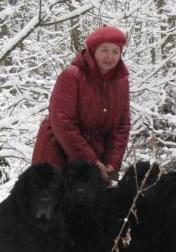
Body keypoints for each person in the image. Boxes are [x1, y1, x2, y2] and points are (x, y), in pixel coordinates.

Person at [32, 25, 130, 182]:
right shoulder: (71, 76)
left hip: (94, 159)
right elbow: (63, 122)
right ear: (93, 51)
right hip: (58, 153)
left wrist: (112, 162)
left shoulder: (121, 82)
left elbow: (121, 126)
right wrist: (91, 162)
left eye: (115, 51)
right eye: (104, 50)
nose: (110, 57)